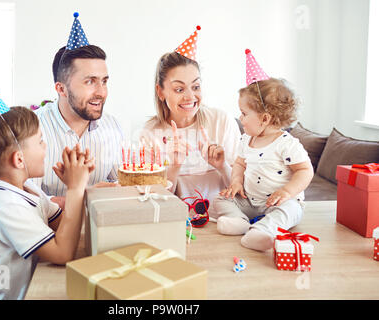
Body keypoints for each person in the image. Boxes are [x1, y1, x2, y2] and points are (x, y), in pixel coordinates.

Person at [0, 102, 94, 299]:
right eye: (40, 141)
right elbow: (62, 252)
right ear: (19, 160)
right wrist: (75, 188)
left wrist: (76, 182)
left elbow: (62, 225)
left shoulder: (27, 188)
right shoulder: (5, 205)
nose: (45, 146)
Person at [141, 35, 241, 218]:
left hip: (225, 223)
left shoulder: (221, 121)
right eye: (179, 89)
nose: (190, 97)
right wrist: (174, 167)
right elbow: (153, 205)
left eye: (195, 87)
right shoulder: (150, 133)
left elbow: (243, 192)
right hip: (178, 225)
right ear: (160, 91)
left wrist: (222, 166)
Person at [213, 75, 314, 252]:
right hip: (250, 201)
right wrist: (236, 182)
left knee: (290, 210)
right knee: (221, 198)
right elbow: (239, 164)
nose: (240, 118)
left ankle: (262, 231)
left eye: (244, 113)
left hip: (278, 203)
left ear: (265, 119)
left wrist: (287, 191)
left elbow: (305, 170)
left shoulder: (286, 144)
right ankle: (239, 221)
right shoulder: (246, 139)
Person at [34, 45, 123, 206]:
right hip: (50, 229)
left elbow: (121, 182)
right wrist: (87, 198)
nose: (101, 93)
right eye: (90, 82)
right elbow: (28, 200)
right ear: (61, 89)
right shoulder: (33, 129)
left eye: (104, 81)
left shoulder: (111, 125)